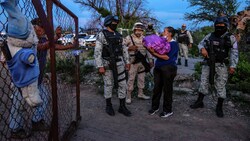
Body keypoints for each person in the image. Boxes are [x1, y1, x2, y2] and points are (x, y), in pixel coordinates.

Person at [9, 17, 75, 139]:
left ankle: (36, 121)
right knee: (19, 105)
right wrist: (55, 37)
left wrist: (71, 45)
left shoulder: (43, 38)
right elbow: (40, 47)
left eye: (44, 28)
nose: (42, 30)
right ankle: (15, 129)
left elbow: (52, 46)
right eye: (40, 27)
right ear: (33, 27)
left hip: (37, 79)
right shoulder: (26, 40)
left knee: (44, 98)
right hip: (24, 80)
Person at [190, 16, 238, 118]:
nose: (219, 27)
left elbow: (234, 52)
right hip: (208, 63)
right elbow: (200, 44)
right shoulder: (209, 35)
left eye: (222, 25)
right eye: (217, 25)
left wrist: (233, 66)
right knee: (204, 82)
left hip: (221, 65)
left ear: (226, 26)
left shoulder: (231, 37)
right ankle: (199, 102)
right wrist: (202, 49)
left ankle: (219, 107)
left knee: (220, 85)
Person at [94, 15, 132, 117]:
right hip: (107, 64)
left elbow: (124, 49)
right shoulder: (102, 34)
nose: (115, 24)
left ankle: (122, 106)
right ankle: (109, 105)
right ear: (108, 22)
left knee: (122, 84)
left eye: (116, 22)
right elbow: (97, 52)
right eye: (113, 22)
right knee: (108, 85)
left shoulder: (119, 35)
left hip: (120, 63)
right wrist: (100, 66)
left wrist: (127, 62)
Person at [148, 26, 179, 118]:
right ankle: (155, 107)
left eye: (164, 31)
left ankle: (167, 110)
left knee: (167, 89)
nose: (162, 32)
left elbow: (166, 57)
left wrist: (153, 53)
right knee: (157, 88)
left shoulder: (174, 44)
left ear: (169, 34)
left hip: (168, 69)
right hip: (158, 68)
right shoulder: (162, 42)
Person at [123, 22, 154, 104]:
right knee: (131, 79)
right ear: (134, 29)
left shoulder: (145, 39)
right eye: (137, 29)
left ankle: (140, 94)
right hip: (132, 62)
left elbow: (148, 50)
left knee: (141, 78)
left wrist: (150, 61)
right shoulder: (128, 38)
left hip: (142, 62)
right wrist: (129, 48)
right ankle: (128, 96)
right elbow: (121, 48)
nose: (139, 31)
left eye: (140, 30)